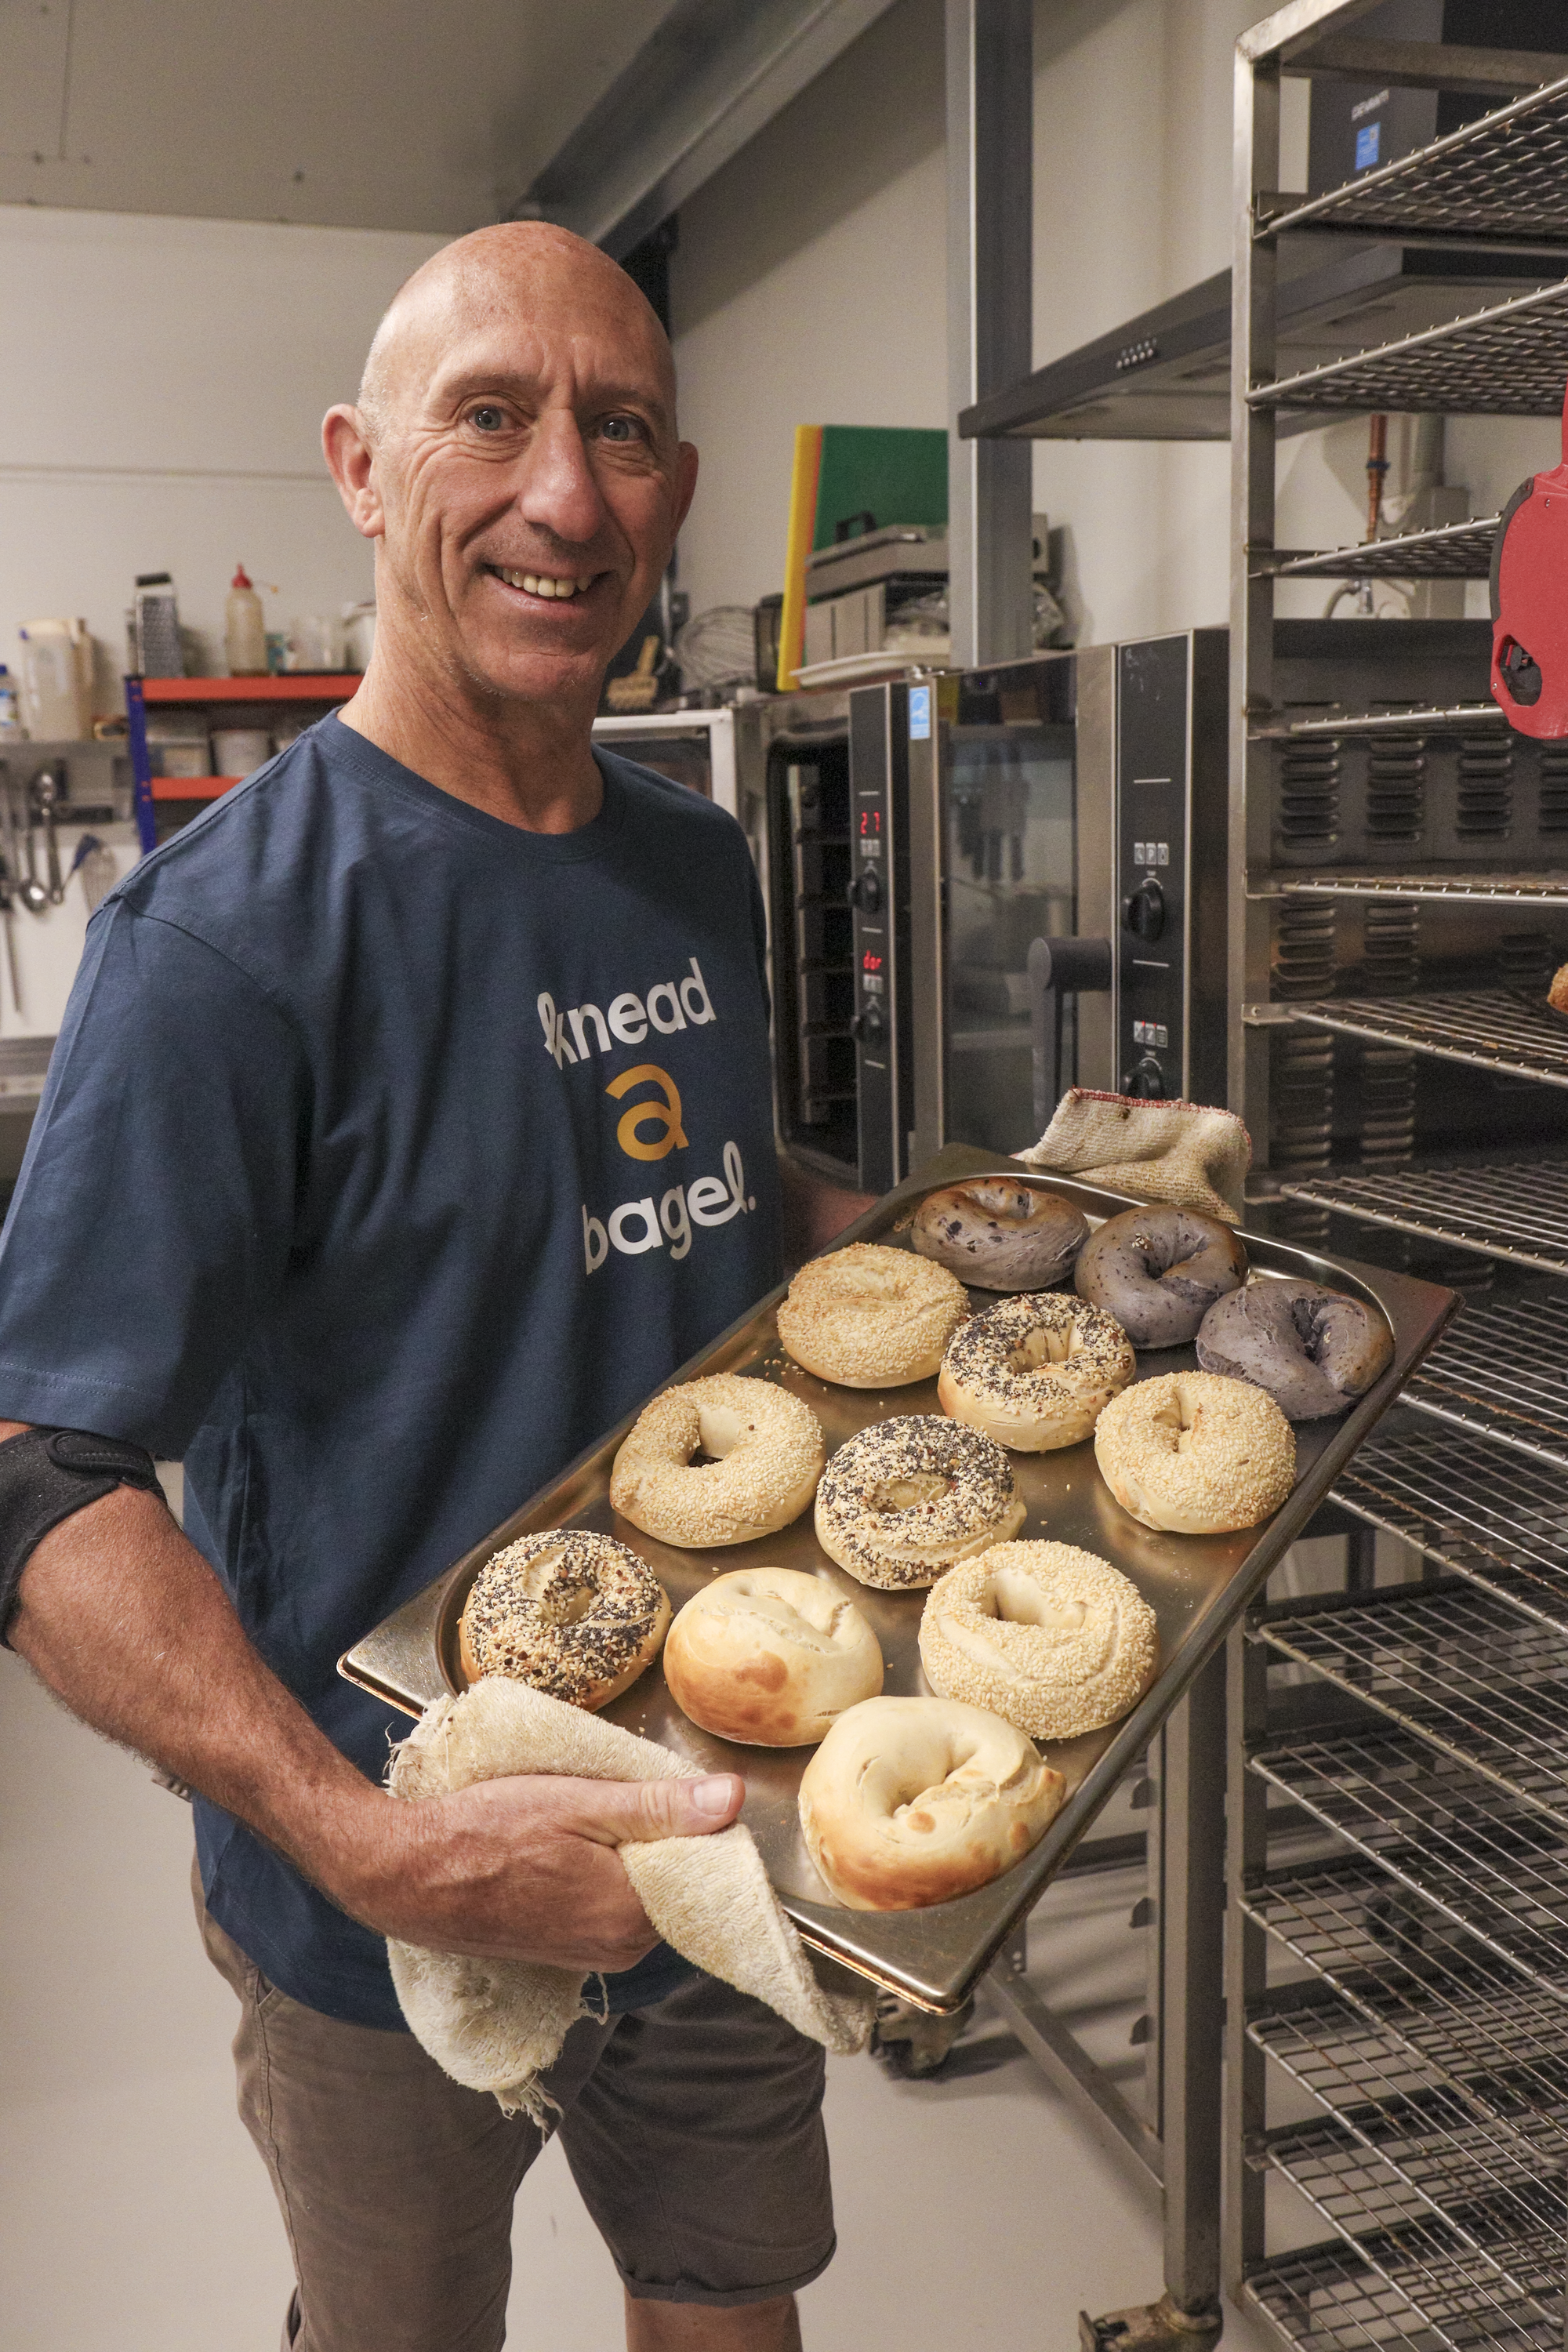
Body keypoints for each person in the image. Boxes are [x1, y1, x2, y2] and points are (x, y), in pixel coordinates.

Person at [0, 223, 833, 2351]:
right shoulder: (221, 947)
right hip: (379, 1911)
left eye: (622, 431)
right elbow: (40, 1475)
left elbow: (709, 1228)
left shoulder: (694, 863)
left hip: (705, 1829)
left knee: (731, 2308)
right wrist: (366, 1844)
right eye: (495, 416)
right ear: (362, 471)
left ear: (679, 488)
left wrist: (1039, 1242)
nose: (567, 493)